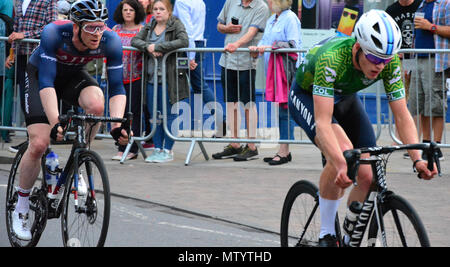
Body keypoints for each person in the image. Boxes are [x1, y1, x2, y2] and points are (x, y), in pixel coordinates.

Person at [288, 9, 438, 247]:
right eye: (375, 59)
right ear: (358, 48)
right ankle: (326, 233)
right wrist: (338, 162)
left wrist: (417, 159)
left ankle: (349, 236)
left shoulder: (388, 63)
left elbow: (402, 114)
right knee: (345, 153)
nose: (380, 66)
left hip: (344, 97)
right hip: (307, 95)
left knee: (367, 175)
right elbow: (324, 123)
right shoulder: (333, 58)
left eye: (386, 60)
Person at [11, 0, 129, 241]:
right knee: (40, 143)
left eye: (101, 27)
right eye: (91, 28)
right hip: (41, 79)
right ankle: (21, 204)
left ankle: (80, 162)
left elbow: (117, 87)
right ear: (76, 27)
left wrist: (117, 126)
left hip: (72, 77)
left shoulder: (111, 39)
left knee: (96, 104)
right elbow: (46, 82)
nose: (97, 34)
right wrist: (55, 122)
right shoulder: (54, 33)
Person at [131, 0, 190, 163]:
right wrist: (148, 46)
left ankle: (168, 150)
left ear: (169, 11)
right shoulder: (149, 25)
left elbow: (184, 41)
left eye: (161, 9)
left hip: (169, 78)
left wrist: (159, 47)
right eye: (155, 9)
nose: (158, 12)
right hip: (151, 78)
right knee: (154, 115)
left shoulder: (176, 24)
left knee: (169, 114)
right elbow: (135, 40)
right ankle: (157, 148)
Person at [212, 0, 269, 161]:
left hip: (246, 62)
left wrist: (235, 44)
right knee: (231, 103)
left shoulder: (261, 7)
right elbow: (219, 26)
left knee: (248, 104)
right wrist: (227, 28)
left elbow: (252, 32)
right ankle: (235, 143)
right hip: (227, 60)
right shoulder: (231, 2)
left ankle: (251, 146)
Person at [249, 0, 301, 165]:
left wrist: (273, 46)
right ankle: (283, 149)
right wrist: (258, 48)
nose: (269, 2)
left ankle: (284, 151)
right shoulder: (273, 19)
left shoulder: (291, 18)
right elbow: (264, 40)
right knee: (281, 111)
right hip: (274, 72)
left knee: (285, 111)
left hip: (288, 70)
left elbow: (293, 45)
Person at [6, 0, 58, 152]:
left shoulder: (49, 2)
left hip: (40, 56)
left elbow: (52, 27)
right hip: (22, 55)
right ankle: (32, 139)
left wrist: (25, 35)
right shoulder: (20, 1)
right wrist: (11, 53)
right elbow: (17, 29)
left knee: (39, 100)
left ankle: (41, 139)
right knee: (25, 99)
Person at [173, 0, 227, 137]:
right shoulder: (199, 2)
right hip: (198, 45)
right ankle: (221, 120)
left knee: (175, 83)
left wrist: (190, 55)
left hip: (187, 47)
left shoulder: (181, 2)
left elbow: (187, 30)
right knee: (199, 85)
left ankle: (169, 127)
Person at [409, 0, 450, 161]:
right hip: (418, 58)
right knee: (421, 104)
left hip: (436, 60)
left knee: (436, 104)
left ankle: (437, 146)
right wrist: (409, 64)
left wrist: (431, 26)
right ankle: (426, 144)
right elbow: (415, 36)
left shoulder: (445, 4)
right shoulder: (421, 5)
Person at [111, 0, 146, 161]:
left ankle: (132, 148)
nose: (128, 13)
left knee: (133, 113)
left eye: (131, 10)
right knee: (120, 114)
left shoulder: (142, 29)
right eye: (125, 10)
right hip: (118, 78)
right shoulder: (115, 29)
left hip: (136, 77)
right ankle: (121, 146)